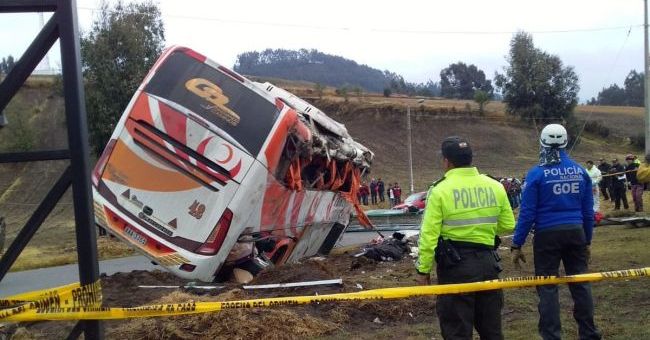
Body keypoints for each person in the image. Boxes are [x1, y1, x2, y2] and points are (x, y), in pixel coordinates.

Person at [416, 136, 515, 340]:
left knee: (457, 331)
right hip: (489, 264)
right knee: (492, 331)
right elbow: (507, 225)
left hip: (455, 268)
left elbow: (429, 235)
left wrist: (423, 270)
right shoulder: (494, 185)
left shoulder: (440, 189)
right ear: (470, 158)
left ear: (447, 161)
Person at [511, 124, 601, 340]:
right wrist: (587, 240)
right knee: (581, 283)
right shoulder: (581, 172)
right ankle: (589, 334)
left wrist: (517, 243)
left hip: (547, 235)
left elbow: (527, 213)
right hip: (576, 232)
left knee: (547, 286)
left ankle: (551, 336)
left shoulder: (536, 174)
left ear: (542, 143)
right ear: (566, 143)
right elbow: (588, 212)